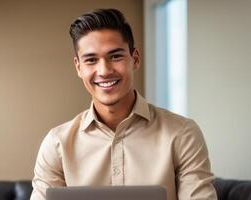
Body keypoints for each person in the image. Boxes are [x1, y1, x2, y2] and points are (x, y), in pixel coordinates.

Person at [30, 8, 217, 200]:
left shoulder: (182, 134)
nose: (104, 71)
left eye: (115, 56)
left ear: (135, 59)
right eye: (91, 60)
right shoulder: (56, 144)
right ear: (79, 67)